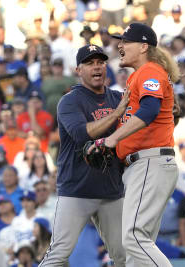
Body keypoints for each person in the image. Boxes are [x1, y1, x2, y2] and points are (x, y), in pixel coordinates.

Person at [39, 44, 129, 267]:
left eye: (100, 62)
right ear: (78, 70)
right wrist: (117, 113)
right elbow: (81, 133)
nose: (96, 67)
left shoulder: (118, 97)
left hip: (111, 190)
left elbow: (142, 124)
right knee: (58, 253)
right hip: (77, 190)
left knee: (124, 257)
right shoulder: (69, 101)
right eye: (89, 63)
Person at [101, 23, 180, 266]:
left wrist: (112, 140)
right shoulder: (140, 75)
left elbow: (150, 110)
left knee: (134, 239)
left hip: (149, 162)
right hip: (146, 164)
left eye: (125, 41)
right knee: (138, 252)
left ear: (144, 46)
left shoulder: (150, 71)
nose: (120, 45)